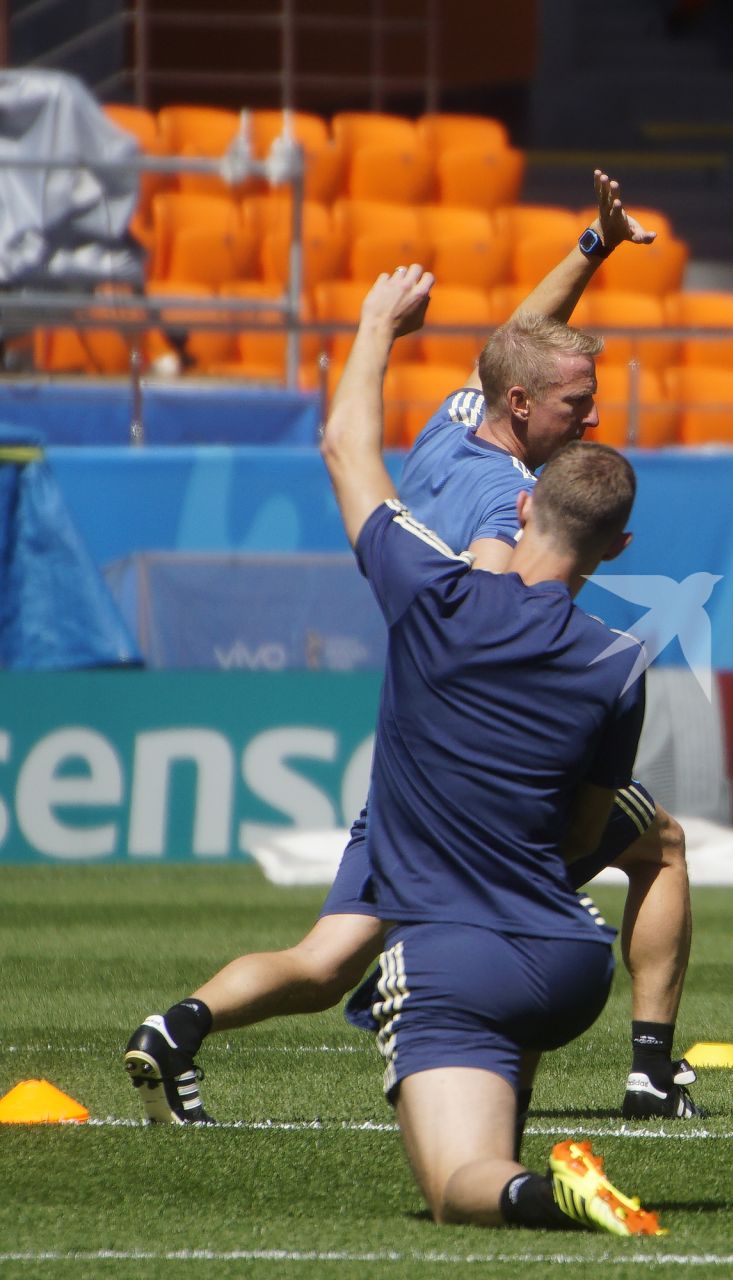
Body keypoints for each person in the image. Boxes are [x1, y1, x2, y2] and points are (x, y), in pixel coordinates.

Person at [124, 170, 702, 1125]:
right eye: (575, 407)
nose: (589, 418)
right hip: (492, 768)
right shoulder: (498, 507)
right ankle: (645, 1072)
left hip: (413, 764)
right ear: (520, 408)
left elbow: (517, 339)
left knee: (326, 959)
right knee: (659, 844)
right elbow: (499, 598)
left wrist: (589, 250)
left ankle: (179, 1025)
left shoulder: (458, 427)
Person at [330, 264, 658, 1232]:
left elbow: (346, 445)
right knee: (489, 1106)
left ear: (518, 511)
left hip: (450, 946)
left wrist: (378, 323)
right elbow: (583, 831)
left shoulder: (432, 597)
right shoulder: (619, 660)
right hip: (568, 960)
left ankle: (535, 1187)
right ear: (617, 550)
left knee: (457, 1187)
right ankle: (535, 1157)